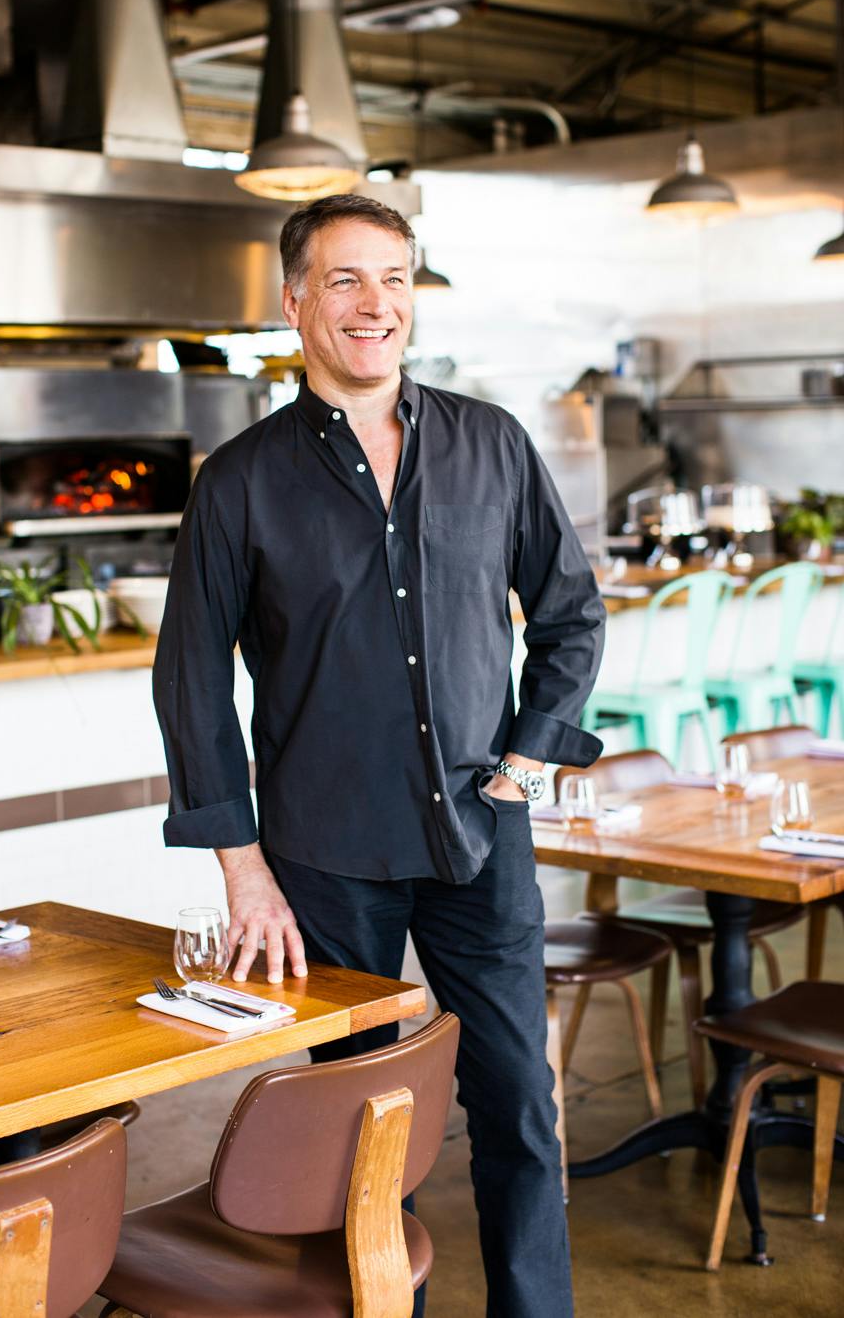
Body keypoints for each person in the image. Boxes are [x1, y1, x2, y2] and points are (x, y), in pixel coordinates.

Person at [154, 193, 606, 1318]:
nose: (375, 304)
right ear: (296, 301)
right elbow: (190, 678)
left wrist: (526, 764)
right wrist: (240, 865)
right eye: (346, 280)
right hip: (321, 854)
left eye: (395, 277)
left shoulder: (489, 441)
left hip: (477, 834)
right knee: (354, 1124)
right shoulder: (239, 479)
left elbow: (570, 615)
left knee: (517, 1108)